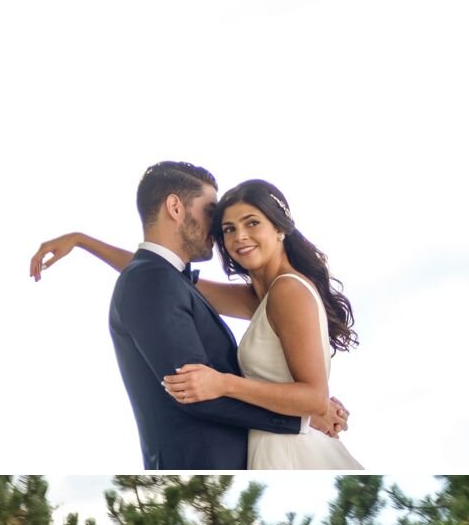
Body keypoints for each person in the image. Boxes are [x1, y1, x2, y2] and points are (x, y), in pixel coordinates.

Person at [30, 160, 354, 467]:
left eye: (252, 223)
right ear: (175, 208)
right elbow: (155, 274)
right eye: (225, 225)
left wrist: (292, 410)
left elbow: (312, 396)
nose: (232, 236)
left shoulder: (286, 291)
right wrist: (83, 241)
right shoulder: (257, 296)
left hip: (284, 449)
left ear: (280, 228)